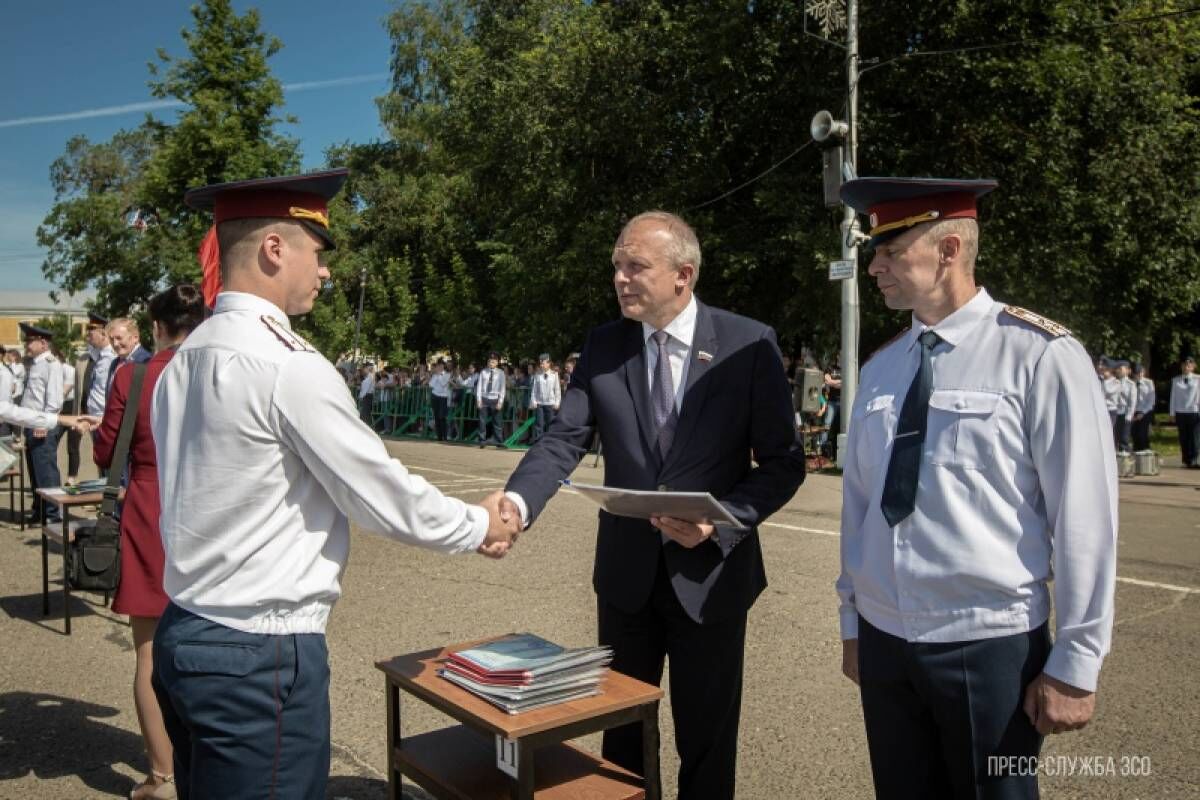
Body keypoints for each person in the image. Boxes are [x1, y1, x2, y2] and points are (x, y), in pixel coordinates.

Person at [150, 169, 518, 800]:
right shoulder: (287, 365)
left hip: (186, 631)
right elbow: (380, 493)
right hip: (257, 656)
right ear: (273, 249)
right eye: (316, 253)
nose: (323, 272)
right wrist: (482, 524)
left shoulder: (187, 354)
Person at [501, 210, 806, 800]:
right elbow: (565, 437)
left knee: (708, 739)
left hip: (710, 580)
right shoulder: (603, 345)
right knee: (622, 738)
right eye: (616, 265)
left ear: (682, 276)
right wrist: (516, 503)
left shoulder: (749, 343)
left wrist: (721, 526)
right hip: (626, 579)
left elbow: (784, 462)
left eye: (635, 266)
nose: (620, 278)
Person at [837, 177, 1118, 800]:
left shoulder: (1040, 355)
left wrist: (1076, 660)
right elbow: (858, 507)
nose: (874, 266)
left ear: (949, 247)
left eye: (889, 249)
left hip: (986, 642)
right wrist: (853, 623)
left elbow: (1085, 518)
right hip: (886, 640)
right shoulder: (883, 367)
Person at [94, 285, 206, 800]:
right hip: (213, 509)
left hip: (149, 506)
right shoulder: (218, 371)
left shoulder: (133, 375)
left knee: (149, 654)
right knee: (215, 646)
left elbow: (105, 449)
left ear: (156, 328)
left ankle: (162, 776)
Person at [18, 323, 65, 525]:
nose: (26, 344)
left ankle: (53, 515)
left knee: (46, 472)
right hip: (31, 424)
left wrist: (43, 425)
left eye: (30, 341)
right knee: (35, 472)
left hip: (41, 426)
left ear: (43, 343)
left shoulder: (51, 364)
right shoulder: (34, 363)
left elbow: (54, 400)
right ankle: (39, 510)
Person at [106, 317, 154, 397]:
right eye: (111, 339)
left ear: (135, 337)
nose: (115, 344)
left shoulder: (146, 362)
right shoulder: (115, 363)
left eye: (119, 338)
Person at [84, 313, 117, 421]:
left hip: (103, 417)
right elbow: (90, 346)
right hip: (95, 416)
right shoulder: (99, 355)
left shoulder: (112, 358)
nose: (88, 333)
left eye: (91, 329)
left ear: (103, 333)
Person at [1169, 355, 1199, 468]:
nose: (1186, 367)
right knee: (1183, 437)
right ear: (1181, 367)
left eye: (1189, 365)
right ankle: (1186, 459)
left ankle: (1194, 459)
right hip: (1180, 411)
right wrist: (1172, 413)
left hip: (1194, 411)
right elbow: (1173, 397)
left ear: (1193, 366)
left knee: (1195, 437)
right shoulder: (1176, 380)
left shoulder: (1198, 379)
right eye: (1184, 365)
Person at [528, 352, 561, 444]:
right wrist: (533, 401)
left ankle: (550, 442)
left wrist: (557, 403)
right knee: (539, 424)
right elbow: (534, 390)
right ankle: (539, 442)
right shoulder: (537, 374)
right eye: (540, 363)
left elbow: (557, 390)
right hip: (540, 403)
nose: (541, 365)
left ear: (549, 363)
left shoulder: (554, 374)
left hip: (550, 403)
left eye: (543, 363)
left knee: (550, 423)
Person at [476, 351, 506, 448]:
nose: (491, 363)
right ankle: (482, 440)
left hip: (495, 399)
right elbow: (479, 386)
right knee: (482, 421)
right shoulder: (483, 372)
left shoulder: (501, 373)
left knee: (497, 421)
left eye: (493, 361)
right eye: (489, 361)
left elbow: (503, 388)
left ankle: (499, 441)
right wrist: (478, 399)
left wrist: (500, 401)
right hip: (484, 398)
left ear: (497, 362)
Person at [1131, 363, 1156, 452]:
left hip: (1145, 411)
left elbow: (1151, 400)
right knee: (1134, 434)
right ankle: (1136, 452)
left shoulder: (1148, 383)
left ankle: (1145, 451)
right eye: (1137, 373)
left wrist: (1142, 413)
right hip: (1134, 411)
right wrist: (1132, 413)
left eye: (1141, 372)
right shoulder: (1131, 383)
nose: (1139, 375)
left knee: (1143, 433)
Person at [429, 358, 452, 442]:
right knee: (436, 417)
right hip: (435, 396)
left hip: (443, 397)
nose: (440, 367)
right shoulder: (435, 375)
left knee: (442, 417)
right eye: (438, 365)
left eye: (441, 365)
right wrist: (436, 375)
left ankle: (445, 436)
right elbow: (431, 384)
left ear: (444, 366)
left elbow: (443, 384)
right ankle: (439, 437)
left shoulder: (447, 374)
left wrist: (438, 375)